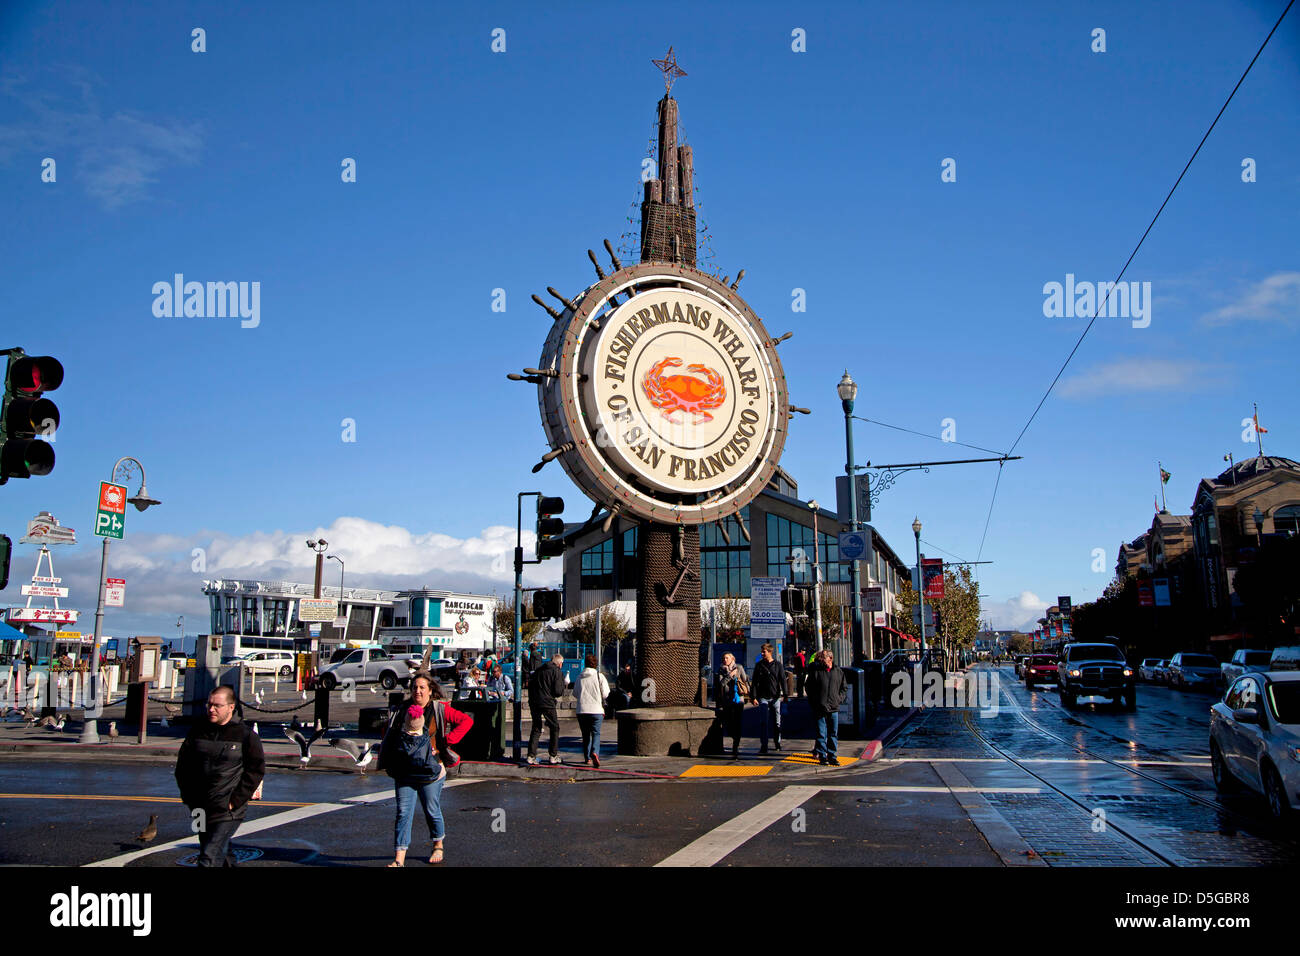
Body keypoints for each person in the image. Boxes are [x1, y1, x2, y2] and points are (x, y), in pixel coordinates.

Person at [379, 672, 472, 866]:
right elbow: (389, 732)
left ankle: (438, 844)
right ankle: (399, 860)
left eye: (422, 687)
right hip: (405, 771)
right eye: (415, 687)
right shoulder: (401, 710)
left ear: (430, 691)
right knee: (403, 812)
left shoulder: (439, 709)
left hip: (432, 771)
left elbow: (466, 721)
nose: (418, 691)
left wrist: (447, 742)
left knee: (431, 810)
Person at [174, 685, 266, 867]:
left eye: (217, 705)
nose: (211, 709)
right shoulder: (198, 731)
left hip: (227, 809)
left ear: (231, 707)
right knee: (217, 850)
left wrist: (236, 800)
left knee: (209, 856)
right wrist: (189, 797)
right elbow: (183, 766)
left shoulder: (245, 736)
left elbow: (255, 770)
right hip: (199, 808)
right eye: (209, 705)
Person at [804, 649, 847, 765]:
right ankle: (822, 756)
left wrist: (839, 700)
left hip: (833, 707)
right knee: (821, 733)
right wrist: (814, 702)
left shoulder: (838, 672)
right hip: (820, 707)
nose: (821, 660)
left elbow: (844, 688)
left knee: (833, 733)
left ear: (830, 659)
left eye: (824, 658)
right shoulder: (816, 671)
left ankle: (832, 755)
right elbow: (808, 687)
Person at [527, 652, 566, 765]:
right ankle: (553, 755)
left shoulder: (539, 670)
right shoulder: (556, 671)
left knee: (536, 727)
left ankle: (531, 755)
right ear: (559, 663)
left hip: (535, 702)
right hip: (547, 702)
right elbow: (558, 692)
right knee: (554, 727)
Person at [750, 643, 787, 754]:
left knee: (777, 722)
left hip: (775, 697)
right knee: (764, 722)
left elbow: (783, 680)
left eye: (764, 652)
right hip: (763, 697)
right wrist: (753, 697)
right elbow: (755, 682)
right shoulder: (759, 665)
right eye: (761, 651)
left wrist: (785, 695)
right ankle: (764, 745)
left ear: (770, 652)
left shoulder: (778, 665)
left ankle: (777, 742)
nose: (762, 654)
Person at [574, 654, 610, 767]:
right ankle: (595, 752)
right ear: (595, 664)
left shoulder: (579, 677)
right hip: (596, 710)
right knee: (596, 733)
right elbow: (605, 694)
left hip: (582, 710)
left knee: (585, 735)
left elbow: (575, 693)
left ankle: (587, 758)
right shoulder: (600, 677)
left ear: (585, 663)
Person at [713, 652, 749, 758]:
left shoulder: (739, 667)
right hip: (727, 700)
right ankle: (733, 737)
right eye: (723, 658)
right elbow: (721, 683)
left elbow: (745, 680)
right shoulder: (720, 669)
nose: (725, 660)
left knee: (737, 722)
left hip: (738, 699)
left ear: (732, 658)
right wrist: (730, 675)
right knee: (728, 723)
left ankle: (735, 746)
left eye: (727, 658)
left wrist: (751, 695)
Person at [484, 664, 513, 760]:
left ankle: (498, 751)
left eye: (495, 672)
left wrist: (502, 693)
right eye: (492, 672)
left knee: (499, 726)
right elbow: (488, 688)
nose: (493, 674)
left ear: (499, 671)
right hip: (492, 701)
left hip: (501, 702)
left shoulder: (505, 678)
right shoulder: (491, 679)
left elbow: (511, 690)